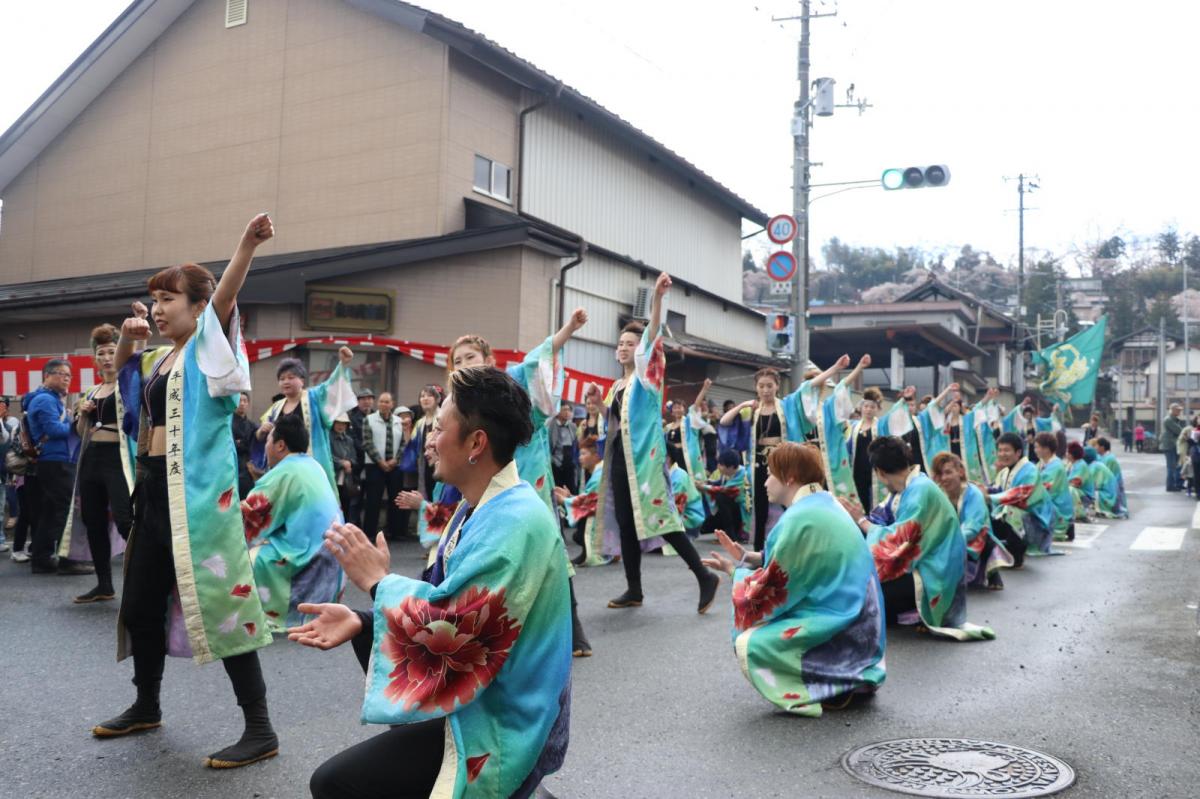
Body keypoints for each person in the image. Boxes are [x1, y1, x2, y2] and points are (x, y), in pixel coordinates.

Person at [292, 366, 572, 799]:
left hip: (503, 717)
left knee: (336, 784)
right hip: (483, 696)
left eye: (439, 428)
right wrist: (364, 621)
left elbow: (459, 635)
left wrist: (378, 583)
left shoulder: (518, 523)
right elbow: (444, 601)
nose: (429, 438)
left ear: (477, 443)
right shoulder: (476, 506)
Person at [93, 214, 278, 769]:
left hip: (199, 502)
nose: (159, 307)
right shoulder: (159, 357)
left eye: (169, 297)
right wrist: (127, 340)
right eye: (155, 298)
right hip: (152, 495)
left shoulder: (206, 349)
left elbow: (224, 297)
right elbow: (116, 379)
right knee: (143, 603)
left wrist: (245, 245)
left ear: (197, 309)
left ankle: (261, 729)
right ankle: (146, 703)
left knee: (226, 605)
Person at [447, 306, 592, 654]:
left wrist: (568, 329)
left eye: (471, 356)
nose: (465, 363)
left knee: (547, 545)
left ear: (487, 358)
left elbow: (538, 359)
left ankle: (574, 628)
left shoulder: (509, 382)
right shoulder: (457, 403)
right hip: (483, 485)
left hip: (526, 477)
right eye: (459, 359)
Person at [702, 442, 886, 715]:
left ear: (789, 477)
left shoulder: (802, 518)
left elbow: (771, 588)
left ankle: (834, 682)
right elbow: (793, 562)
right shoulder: (823, 502)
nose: (765, 482)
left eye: (771, 474)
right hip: (862, 623)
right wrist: (747, 557)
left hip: (845, 626)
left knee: (752, 643)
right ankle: (849, 677)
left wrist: (735, 572)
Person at [587, 272, 719, 612]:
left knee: (661, 517)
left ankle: (704, 575)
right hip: (619, 459)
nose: (623, 348)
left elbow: (652, 339)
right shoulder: (617, 386)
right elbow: (614, 424)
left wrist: (658, 300)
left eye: (629, 344)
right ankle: (634, 589)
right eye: (620, 344)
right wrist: (598, 405)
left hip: (644, 459)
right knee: (629, 524)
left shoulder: (646, 378)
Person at [838, 436, 994, 641]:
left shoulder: (919, 491)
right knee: (865, 590)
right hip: (929, 568)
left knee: (864, 596)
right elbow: (881, 519)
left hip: (935, 578)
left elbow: (895, 542)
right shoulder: (910, 487)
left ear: (880, 472)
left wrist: (860, 520)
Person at [241, 413, 345, 632]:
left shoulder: (283, 473)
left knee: (247, 557)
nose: (265, 446)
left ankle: (259, 615)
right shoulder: (313, 465)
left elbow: (250, 519)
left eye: (268, 440)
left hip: (308, 558)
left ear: (280, 445)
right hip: (335, 561)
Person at [60, 324, 134, 602]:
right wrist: (82, 414)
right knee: (93, 520)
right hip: (91, 457)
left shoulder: (129, 383)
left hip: (118, 457)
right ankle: (104, 584)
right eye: (101, 352)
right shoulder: (91, 391)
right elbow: (81, 433)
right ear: (95, 358)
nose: (106, 357)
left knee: (126, 519)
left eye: (111, 351)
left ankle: (144, 580)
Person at [251, 350, 356, 492]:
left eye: (291, 377)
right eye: (282, 379)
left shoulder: (315, 398)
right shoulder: (276, 407)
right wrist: (260, 432)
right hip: (281, 469)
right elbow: (261, 436)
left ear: (302, 380)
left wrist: (343, 364)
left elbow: (331, 386)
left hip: (310, 465)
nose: (286, 381)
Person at [25, 358, 81, 574]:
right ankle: (66, 559)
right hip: (56, 461)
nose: (66, 377)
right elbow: (56, 431)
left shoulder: (50, 399)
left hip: (53, 461)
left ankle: (41, 558)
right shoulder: (45, 400)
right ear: (46, 376)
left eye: (69, 374)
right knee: (65, 511)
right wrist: (76, 424)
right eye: (60, 373)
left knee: (50, 511)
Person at [931, 452, 1011, 590]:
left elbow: (972, 527)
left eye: (948, 472)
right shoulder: (937, 494)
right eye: (940, 474)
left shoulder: (973, 494)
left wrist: (949, 540)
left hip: (973, 539)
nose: (944, 478)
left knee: (982, 535)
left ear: (960, 472)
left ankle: (990, 570)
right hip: (949, 539)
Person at [987, 432, 1058, 560]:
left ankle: (1016, 554)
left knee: (1009, 510)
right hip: (1024, 522)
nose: (1002, 454)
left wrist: (990, 496)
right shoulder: (1005, 471)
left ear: (1018, 452)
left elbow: (1020, 495)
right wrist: (982, 491)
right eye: (1000, 450)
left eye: (1006, 450)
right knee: (985, 505)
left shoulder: (1029, 470)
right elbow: (998, 490)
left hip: (1037, 525)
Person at [849, 386, 916, 514]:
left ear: (878, 409)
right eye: (866, 406)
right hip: (856, 471)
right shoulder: (853, 427)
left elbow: (894, 413)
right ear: (861, 407)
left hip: (876, 470)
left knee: (875, 501)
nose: (868, 409)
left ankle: (876, 523)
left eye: (872, 407)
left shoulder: (881, 425)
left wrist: (904, 399)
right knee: (860, 499)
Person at [555, 435, 608, 569]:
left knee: (580, 531)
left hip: (603, 519)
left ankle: (591, 553)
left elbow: (589, 502)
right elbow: (588, 498)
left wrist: (564, 500)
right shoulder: (599, 472)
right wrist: (569, 496)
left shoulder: (599, 475)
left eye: (584, 453)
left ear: (596, 455)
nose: (580, 458)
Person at [360, 392, 407, 541]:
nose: (384, 404)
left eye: (387, 402)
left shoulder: (399, 421)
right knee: (373, 500)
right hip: (374, 465)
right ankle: (370, 533)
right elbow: (367, 442)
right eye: (381, 401)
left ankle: (395, 532)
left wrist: (396, 459)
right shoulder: (369, 420)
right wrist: (380, 461)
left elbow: (404, 443)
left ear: (392, 404)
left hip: (395, 466)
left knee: (396, 500)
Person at [700, 449, 751, 543]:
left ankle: (731, 535)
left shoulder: (743, 474)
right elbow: (716, 483)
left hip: (742, 512)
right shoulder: (727, 473)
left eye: (721, 465)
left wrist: (704, 487)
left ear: (731, 467)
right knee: (704, 528)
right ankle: (725, 532)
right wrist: (704, 484)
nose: (718, 467)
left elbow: (726, 490)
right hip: (732, 509)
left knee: (721, 497)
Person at [1034, 432, 1075, 543]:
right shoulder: (1041, 463)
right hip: (1050, 500)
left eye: (1037, 447)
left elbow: (1045, 488)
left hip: (1056, 505)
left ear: (1046, 449)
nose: (1035, 450)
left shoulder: (1056, 466)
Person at [411, 384, 444, 501]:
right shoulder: (420, 422)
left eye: (429, 395)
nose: (425, 398)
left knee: (440, 497)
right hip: (424, 466)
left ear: (437, 399)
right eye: (422, 396)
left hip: (441, 464)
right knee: (427, 495)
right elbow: (411, 446)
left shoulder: (443, 417)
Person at [329, 413, 360, 523]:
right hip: (332, 477)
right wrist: (341, 463)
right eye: (338, 423)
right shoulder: (328, 438)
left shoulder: (349, 440)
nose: (340, 426)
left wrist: (349, 463)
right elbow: (327, 456)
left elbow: (354, 457)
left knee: (346, 506)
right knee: (332, 506)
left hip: (346, 479)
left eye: (343, 423)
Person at [1085, 445, 1126, 519]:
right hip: (1113, 495)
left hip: (1109, 497)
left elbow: (1094, 485)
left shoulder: (1094, 467)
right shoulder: (1095, 464)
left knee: (1086, 493)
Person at [231, 393, 257, 499]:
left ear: (248, 404)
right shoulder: (228, 423)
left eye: (245, 401)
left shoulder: (252, 425)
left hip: (249, 469)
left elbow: (255, 445)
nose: (242, 403)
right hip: (233, 466)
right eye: (239, 400)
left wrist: (241, 443)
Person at [550, 402, 579, 493]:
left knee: (572, 489)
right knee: (557, 490)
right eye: (564, 410)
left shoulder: (573, 426)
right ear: (558, 411)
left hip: (569, 463)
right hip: (556, 462)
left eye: (569, 410)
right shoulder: (551, 425)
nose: (567, 412)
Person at [1065, 441, 1095, 520]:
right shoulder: (1071, 464)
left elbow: (1076, 483)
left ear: (1072, 454)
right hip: (1079, 493)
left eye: (1068, 452)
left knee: (1070, 489)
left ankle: (1078, 513)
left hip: (1085, 496)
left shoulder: (1081, 465)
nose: (1066, 454)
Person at [1161, 404, 1184, 490]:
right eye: (1177, 410)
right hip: (1170, 445)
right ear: (1172, 410)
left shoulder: (1173, 420)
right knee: (1171, 467)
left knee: (1174, 466)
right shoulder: (1169, 420)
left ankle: (1173, 484)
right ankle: (1170, 486)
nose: (1179, 411)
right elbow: (1179, 431)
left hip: (1172, 445)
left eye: (1180, 410)